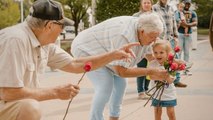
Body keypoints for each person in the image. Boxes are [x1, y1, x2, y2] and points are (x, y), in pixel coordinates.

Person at [0, 0, 142, 120]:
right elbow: (8, 92)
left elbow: (74, 64)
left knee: (30, 106)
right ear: (49, 25)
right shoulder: (15, 40)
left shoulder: (43, 43)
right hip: (6, 101)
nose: (62, 31)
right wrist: (55, 92)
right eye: (61, 26)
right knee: (30, 108)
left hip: (10, 104)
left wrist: (113, 55)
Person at [71, 12, 173, 120]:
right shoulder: (123, 35)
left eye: (156, 37)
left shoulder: (147, 33)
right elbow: (121, 71)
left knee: (121, 85)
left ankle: (114, 117)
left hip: (105, 49)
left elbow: (151, 57)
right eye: (152, 37)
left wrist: (169, 66)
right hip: (86, 49)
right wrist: (150, 71)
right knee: (105, 85)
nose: (154, 41)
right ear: (142, 31)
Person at [153, 0, 187, 88]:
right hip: (161, 40)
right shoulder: (154, 8)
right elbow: (154, 23)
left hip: (170, 38)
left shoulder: (171, 8)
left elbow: (174, 22)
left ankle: (176, 80)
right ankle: (162, 80)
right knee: (162, 60)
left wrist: (176, 36)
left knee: (175, 58)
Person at [149, 40, 177, 120]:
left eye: (161, 52)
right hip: (157, 94)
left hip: (169, 93)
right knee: (157, 112)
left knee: (171, 113)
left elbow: (171, 80)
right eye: (155, 52)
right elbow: (151, 77)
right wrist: (162, 77)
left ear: (167, 53)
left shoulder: (171, 65)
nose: (158, 55)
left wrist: (166, 76)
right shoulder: (152, 63)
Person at [133, 0, 154, 100]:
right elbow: (133, 31)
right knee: (141, 69)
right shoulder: (136, 16)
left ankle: (146, 89)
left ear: (151, 4)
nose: (146, 4)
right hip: (140, 46)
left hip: (153, 46)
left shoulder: (155, 16)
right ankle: (140, 92)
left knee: (150, 69)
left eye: (148, 2)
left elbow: (162, 29)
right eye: (144, 2)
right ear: (141, 4)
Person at [175, 0, 198, 75]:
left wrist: (187, 25)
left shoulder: (193, 13)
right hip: (180, 34)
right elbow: (178, 21)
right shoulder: (179, 11)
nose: (187, 5)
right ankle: (178, 69)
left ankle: (186, 69)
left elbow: (195, 22)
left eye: (188, 4)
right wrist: (186, 24)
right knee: (179, 52)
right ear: (183, 4)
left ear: (190, 4)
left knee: (187, 52)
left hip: (189, 35)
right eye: (186, 4)